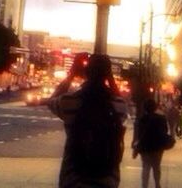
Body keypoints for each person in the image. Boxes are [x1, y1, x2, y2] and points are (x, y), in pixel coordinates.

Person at [48, 53, 128, 188]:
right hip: (107, 179)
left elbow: (51, 101)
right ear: (107, 74)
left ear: (86, 72)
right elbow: (119, 99)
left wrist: (72, 73)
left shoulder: (70, 101)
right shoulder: (118, 106)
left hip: (74, 178)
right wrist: (110, 77)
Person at [132, 98, 169, 188]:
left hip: (145, 146)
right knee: (156, 166)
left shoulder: (141, 119)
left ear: (145, 108)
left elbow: (138, 134)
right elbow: (165, 131)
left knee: (146, 166)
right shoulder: (161, 118)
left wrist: (135, 145)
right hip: (157, 146)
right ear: (155, 107)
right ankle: (157, 184)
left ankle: (144, 185)